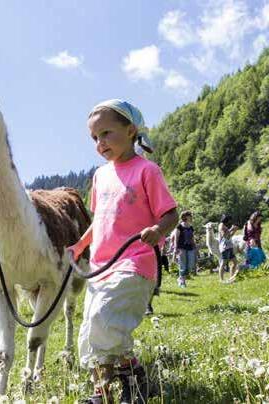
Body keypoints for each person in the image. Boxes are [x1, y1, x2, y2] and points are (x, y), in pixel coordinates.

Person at [67, 99, 178, 404]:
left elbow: (171, 214)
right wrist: (79, 245)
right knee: (93, 329)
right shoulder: (100, 176)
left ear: (130, 131)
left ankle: (114, 387)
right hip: (101, 267)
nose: (99, 143)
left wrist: (158, 230)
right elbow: (101, 220)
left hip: (134, 263)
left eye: (106, 133)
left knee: (103, 320)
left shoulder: (147, 171)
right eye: (94, 138)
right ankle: (122, 383)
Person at [172, 211, 196, 288]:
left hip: (190, 247)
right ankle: (182, 281)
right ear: (185, 217)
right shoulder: (179, 226)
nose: (191, 217)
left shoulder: (191, 227)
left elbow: (192, 238)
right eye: (190, 215)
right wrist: (175, 248)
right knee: (183, 265)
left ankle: (180, 278)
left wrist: (195, 246)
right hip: (181, 248)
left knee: (190, 265)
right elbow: (176, 238)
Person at [218, 214, 239, 282]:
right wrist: (231, 229)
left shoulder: (225, 226)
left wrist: (234, 230)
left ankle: (231, 277)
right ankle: (221, 279)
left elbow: (229, 236)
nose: (230, 221)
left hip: (229, 246)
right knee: (223, 263)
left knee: (235, 262)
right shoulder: (221, 225)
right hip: (224, 247)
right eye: (229, 220)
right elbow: (224, 235)